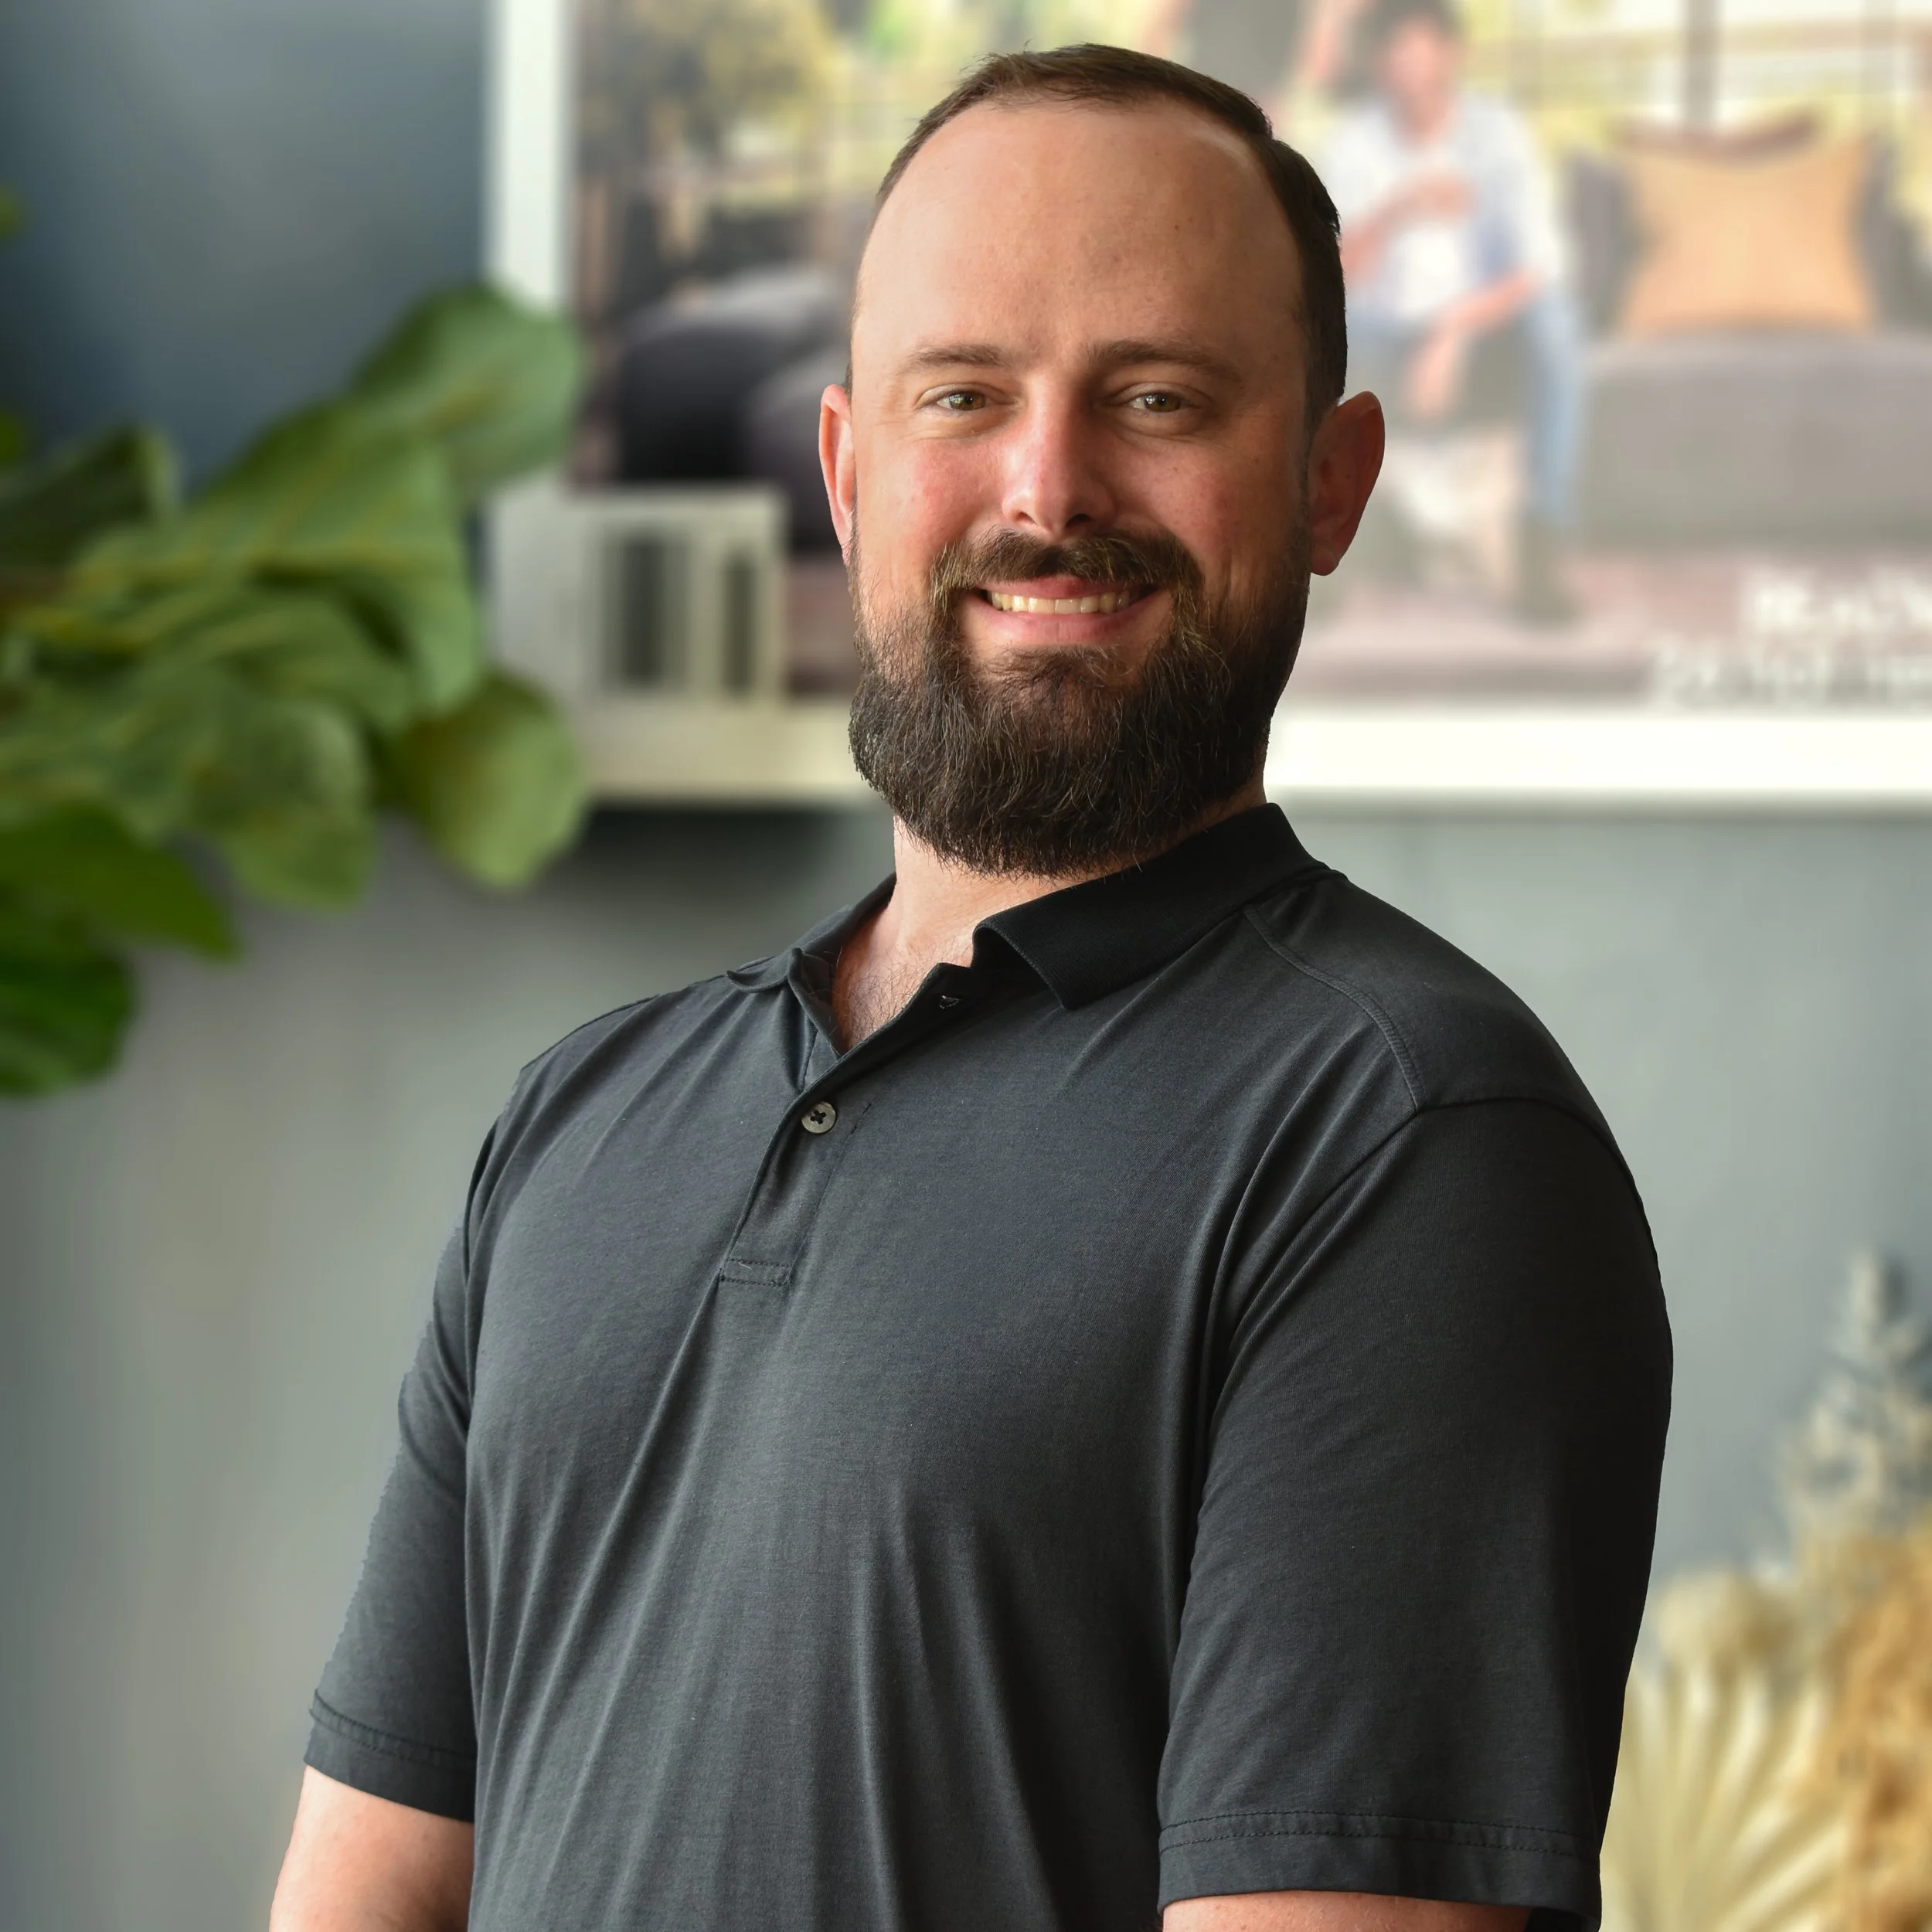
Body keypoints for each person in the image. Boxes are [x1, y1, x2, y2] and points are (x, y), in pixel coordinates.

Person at [271, 45, 1669, 1932]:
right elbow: (362, 1894)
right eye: (965, 395)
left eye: (1156, 396)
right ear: (850, 476)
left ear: (1331, 482)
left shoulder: (1408, 1144)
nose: (1045, 488)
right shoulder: (581, 1125)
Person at [1318, 0, 1585, 622]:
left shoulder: (1498, 135)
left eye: (1423, 50)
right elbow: (1333, 272)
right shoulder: (1354, 141)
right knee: (1310, 336)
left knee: (1558, 327)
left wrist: (1452, 332)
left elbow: (1540, 266)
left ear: (1452, 55)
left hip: (1479, 329)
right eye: (1395, 54)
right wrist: (1400, 206)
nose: (1411, 69)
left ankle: (1540, 543)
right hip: (1380, 331)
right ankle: (1320, 550)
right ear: (1378, 65)